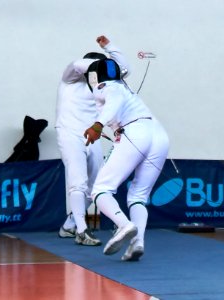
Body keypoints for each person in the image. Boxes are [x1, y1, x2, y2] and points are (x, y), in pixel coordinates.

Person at [84, 58, 170, 261]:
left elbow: (113, 100)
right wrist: (110, 46)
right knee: (138, 196)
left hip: (134, 133)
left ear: (94, 77)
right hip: (158, 135)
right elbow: (123, 67)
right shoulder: (123, 84)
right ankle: (137, 243)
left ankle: (124, 225)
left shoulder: (105, 87)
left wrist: (98, 125)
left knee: (101, 189)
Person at [55, 35, 130, 246]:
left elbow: (125, 69)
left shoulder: (102, 86)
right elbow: (77, 64)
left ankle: (69, 224)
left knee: (98, 185)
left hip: (91, 135)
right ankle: (82, 230)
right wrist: (100, 65)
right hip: (69, 133)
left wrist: (109, 47)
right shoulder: (70, 78)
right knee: (78, 182)